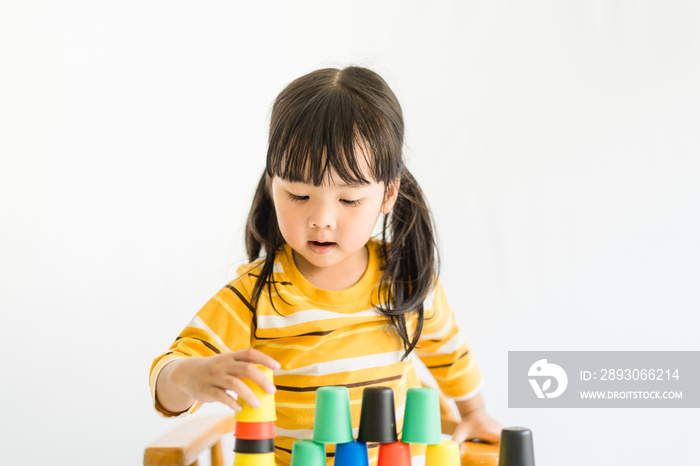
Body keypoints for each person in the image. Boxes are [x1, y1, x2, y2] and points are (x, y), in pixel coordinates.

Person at [149, 66, 501, 465]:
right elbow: (167, 377)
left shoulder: (404, 278)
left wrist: (474, 413)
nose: (321, 219)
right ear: (272, 184)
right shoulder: (258, 295)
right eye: (298, 195)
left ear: (387, 195)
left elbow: (449, 353)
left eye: (349, 200)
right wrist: (189, 377)